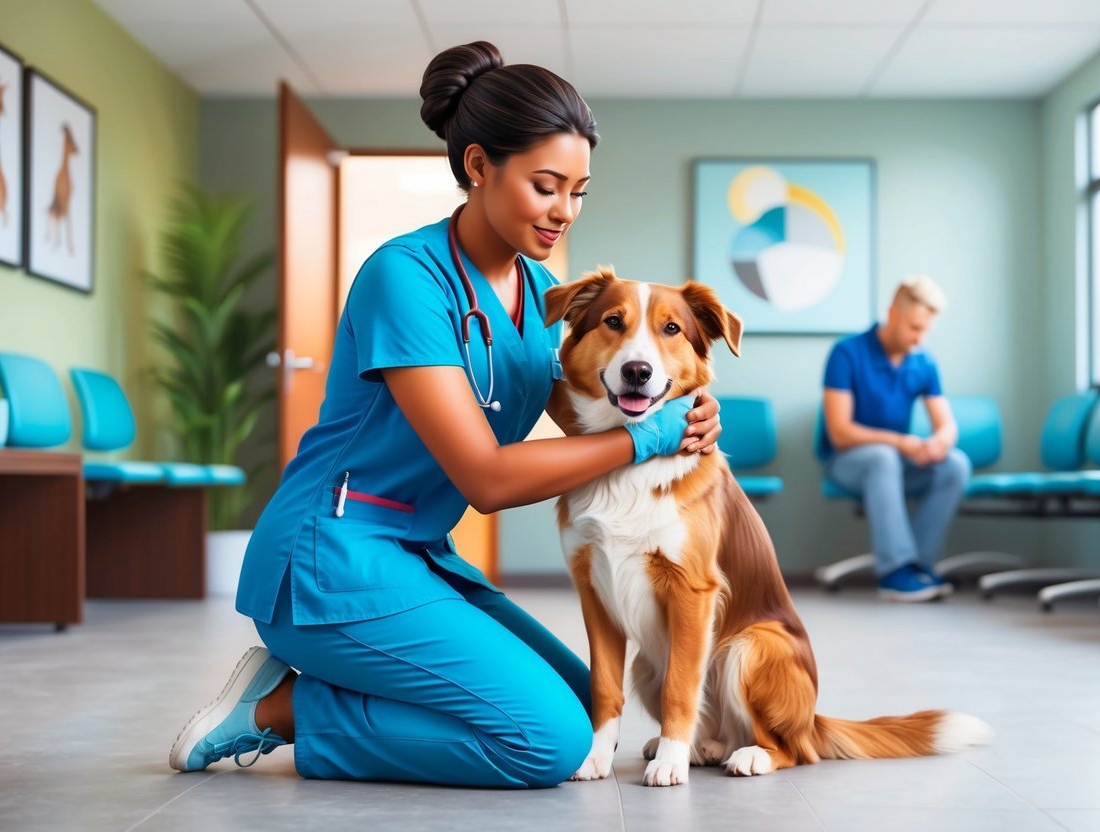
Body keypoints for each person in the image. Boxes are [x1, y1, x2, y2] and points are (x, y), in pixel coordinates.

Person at [168, 41, 722, 788]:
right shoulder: (406, 277)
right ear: (476, 166)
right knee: (547, 744)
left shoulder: (536, 291)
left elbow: (590, 412)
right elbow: (487, 477)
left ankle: (335, 691)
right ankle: (280, 710)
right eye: (545, 186)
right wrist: (643, 436)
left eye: (578, 191)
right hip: (333, 555)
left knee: (579, 700)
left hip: (420, 552)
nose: (564, 211)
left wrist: (676, 413)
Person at [821, 276, 970, 602]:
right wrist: (902, 443)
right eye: (914, 328)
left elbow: (947, 425)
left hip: (894, 463)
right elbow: (840, 433)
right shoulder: (847, 353)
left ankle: (919, 567)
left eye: (927, 330)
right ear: (893, 314)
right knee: (882, 456)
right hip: (848, 461)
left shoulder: (923, 360)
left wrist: (939, 442)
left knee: (955, 464)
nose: (920, 339)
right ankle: (894, 573)